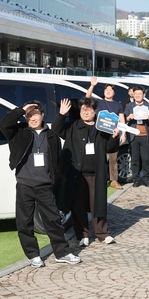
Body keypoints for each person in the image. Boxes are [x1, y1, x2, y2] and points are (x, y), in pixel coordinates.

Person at [0, 100, 81, 268]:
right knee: (24, 222)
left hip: (44, 186)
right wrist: (22, 109)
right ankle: (33, 255)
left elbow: (57, 159)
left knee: (53, 221)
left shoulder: (51, 136)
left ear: (42, 115)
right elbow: (3, 125)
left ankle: (62, 253)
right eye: (29, 115)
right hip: (24, 184)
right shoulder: (19, 132)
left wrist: (52, 179)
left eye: (35, 114)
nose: (32, 118)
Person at [52, 98, 120, 246]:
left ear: (95, 111)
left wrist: (115, 137)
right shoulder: (73, 126)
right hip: (77, 174)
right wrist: (62, 114)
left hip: (96, 173)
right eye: (83, 109)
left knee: (98, 204)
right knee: (78, 205)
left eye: (89, 109)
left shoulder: (102, 127)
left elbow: (110, 148)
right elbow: (56, 131)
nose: (86, 112)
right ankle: (82, 234)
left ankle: (103, 233)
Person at [85, 77, 124, 190]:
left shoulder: (118, 105)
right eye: (106, 89)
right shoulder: (98, 102)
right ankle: (98, 179)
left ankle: (113, 180)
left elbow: (122, 119)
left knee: (113, 158)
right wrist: (92, 85)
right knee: (98, 157)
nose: (108, 91)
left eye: (110, 90)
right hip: (99, 133)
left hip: (113, 135)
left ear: (114, 93)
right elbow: (87, 97)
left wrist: (123, 133)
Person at [124, 87, 149, 187]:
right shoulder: (129, 106)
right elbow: (124, 119)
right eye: (136, 94)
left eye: (140, 94)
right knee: (134, 159)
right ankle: (136, 180)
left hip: (145, 135)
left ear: (144, 95)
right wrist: (129, 117)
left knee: (146, 159)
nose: (138, 95)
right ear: (133, 95)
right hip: (133, 135)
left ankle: (146, 179)